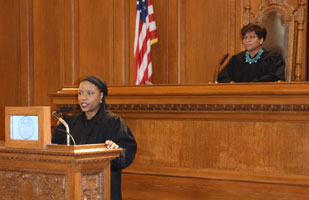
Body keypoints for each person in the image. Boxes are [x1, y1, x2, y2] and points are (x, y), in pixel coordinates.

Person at [52, 75, 137, 200]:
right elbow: (54, 147)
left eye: (89, 93)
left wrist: (115, 151)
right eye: (80, 93)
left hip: (102, 190)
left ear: (101, 96)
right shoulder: (70, 122)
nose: (83, 98)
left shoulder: (113, 122)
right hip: (72, 188)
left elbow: (127, 154)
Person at [217, 23, 286, 83]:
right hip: (239, 95)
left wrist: (251, 85)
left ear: (261, 40)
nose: (247, 40)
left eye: (251, 37)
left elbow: (275, 77)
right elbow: (223, 77)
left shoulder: (273, 58)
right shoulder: (236, 59)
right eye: (244, 37)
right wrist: (232, 84)